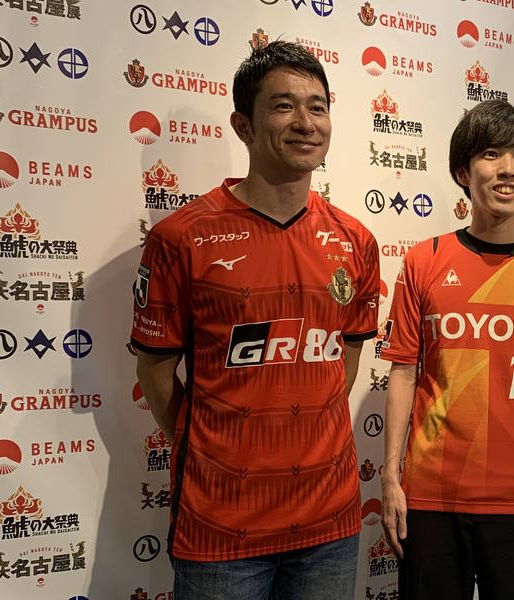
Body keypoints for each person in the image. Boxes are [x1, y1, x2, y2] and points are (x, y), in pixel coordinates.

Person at [131, 41, 380, 600]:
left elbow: (344, 358)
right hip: (221, 528)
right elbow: (155, 372)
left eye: (318, 107)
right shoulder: (180, 238)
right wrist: (218, 451)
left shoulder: (356, 241)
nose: (306, 123)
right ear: (243, 125)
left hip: (330, 523)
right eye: (284, 106)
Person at [379, 100, 514, 600]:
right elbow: (404, 374)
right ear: (463, 171)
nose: (507, 169)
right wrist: (390, 477)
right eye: (491, 154)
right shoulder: (424, 261)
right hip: (432, 497)